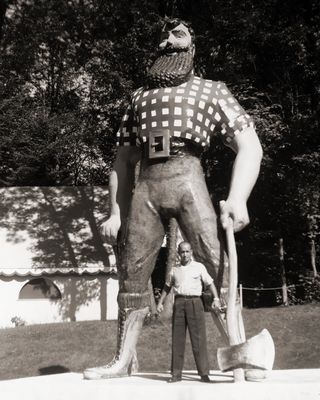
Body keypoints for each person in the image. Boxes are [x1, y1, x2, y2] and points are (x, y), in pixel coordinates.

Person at [83, 17, 263, 380]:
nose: (168, 41)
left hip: (188, 179)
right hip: (147, 184)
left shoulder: (212, 91)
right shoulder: (138, 98)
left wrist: (238, 197)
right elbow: (123, 158)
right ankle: (122, 358)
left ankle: (240, 352)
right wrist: (114, 212)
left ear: (192, 45)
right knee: (131, 270)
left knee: (215, 263)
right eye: (163, 36)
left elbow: (249, 145)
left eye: (177, 34)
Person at [157, 241, 220, 383]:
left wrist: (216, 298)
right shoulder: (174, 270)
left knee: (198, 339)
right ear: (178, 254)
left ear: (191, 252)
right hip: (179, 303)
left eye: (187, 251)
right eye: (182, 252)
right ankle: (176, 374)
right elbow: (167, 287)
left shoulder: (199, 267)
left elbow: (209, 283)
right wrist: (160, 302)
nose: (184, 254)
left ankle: (204, 373)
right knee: (177, 339)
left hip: (195, 303)